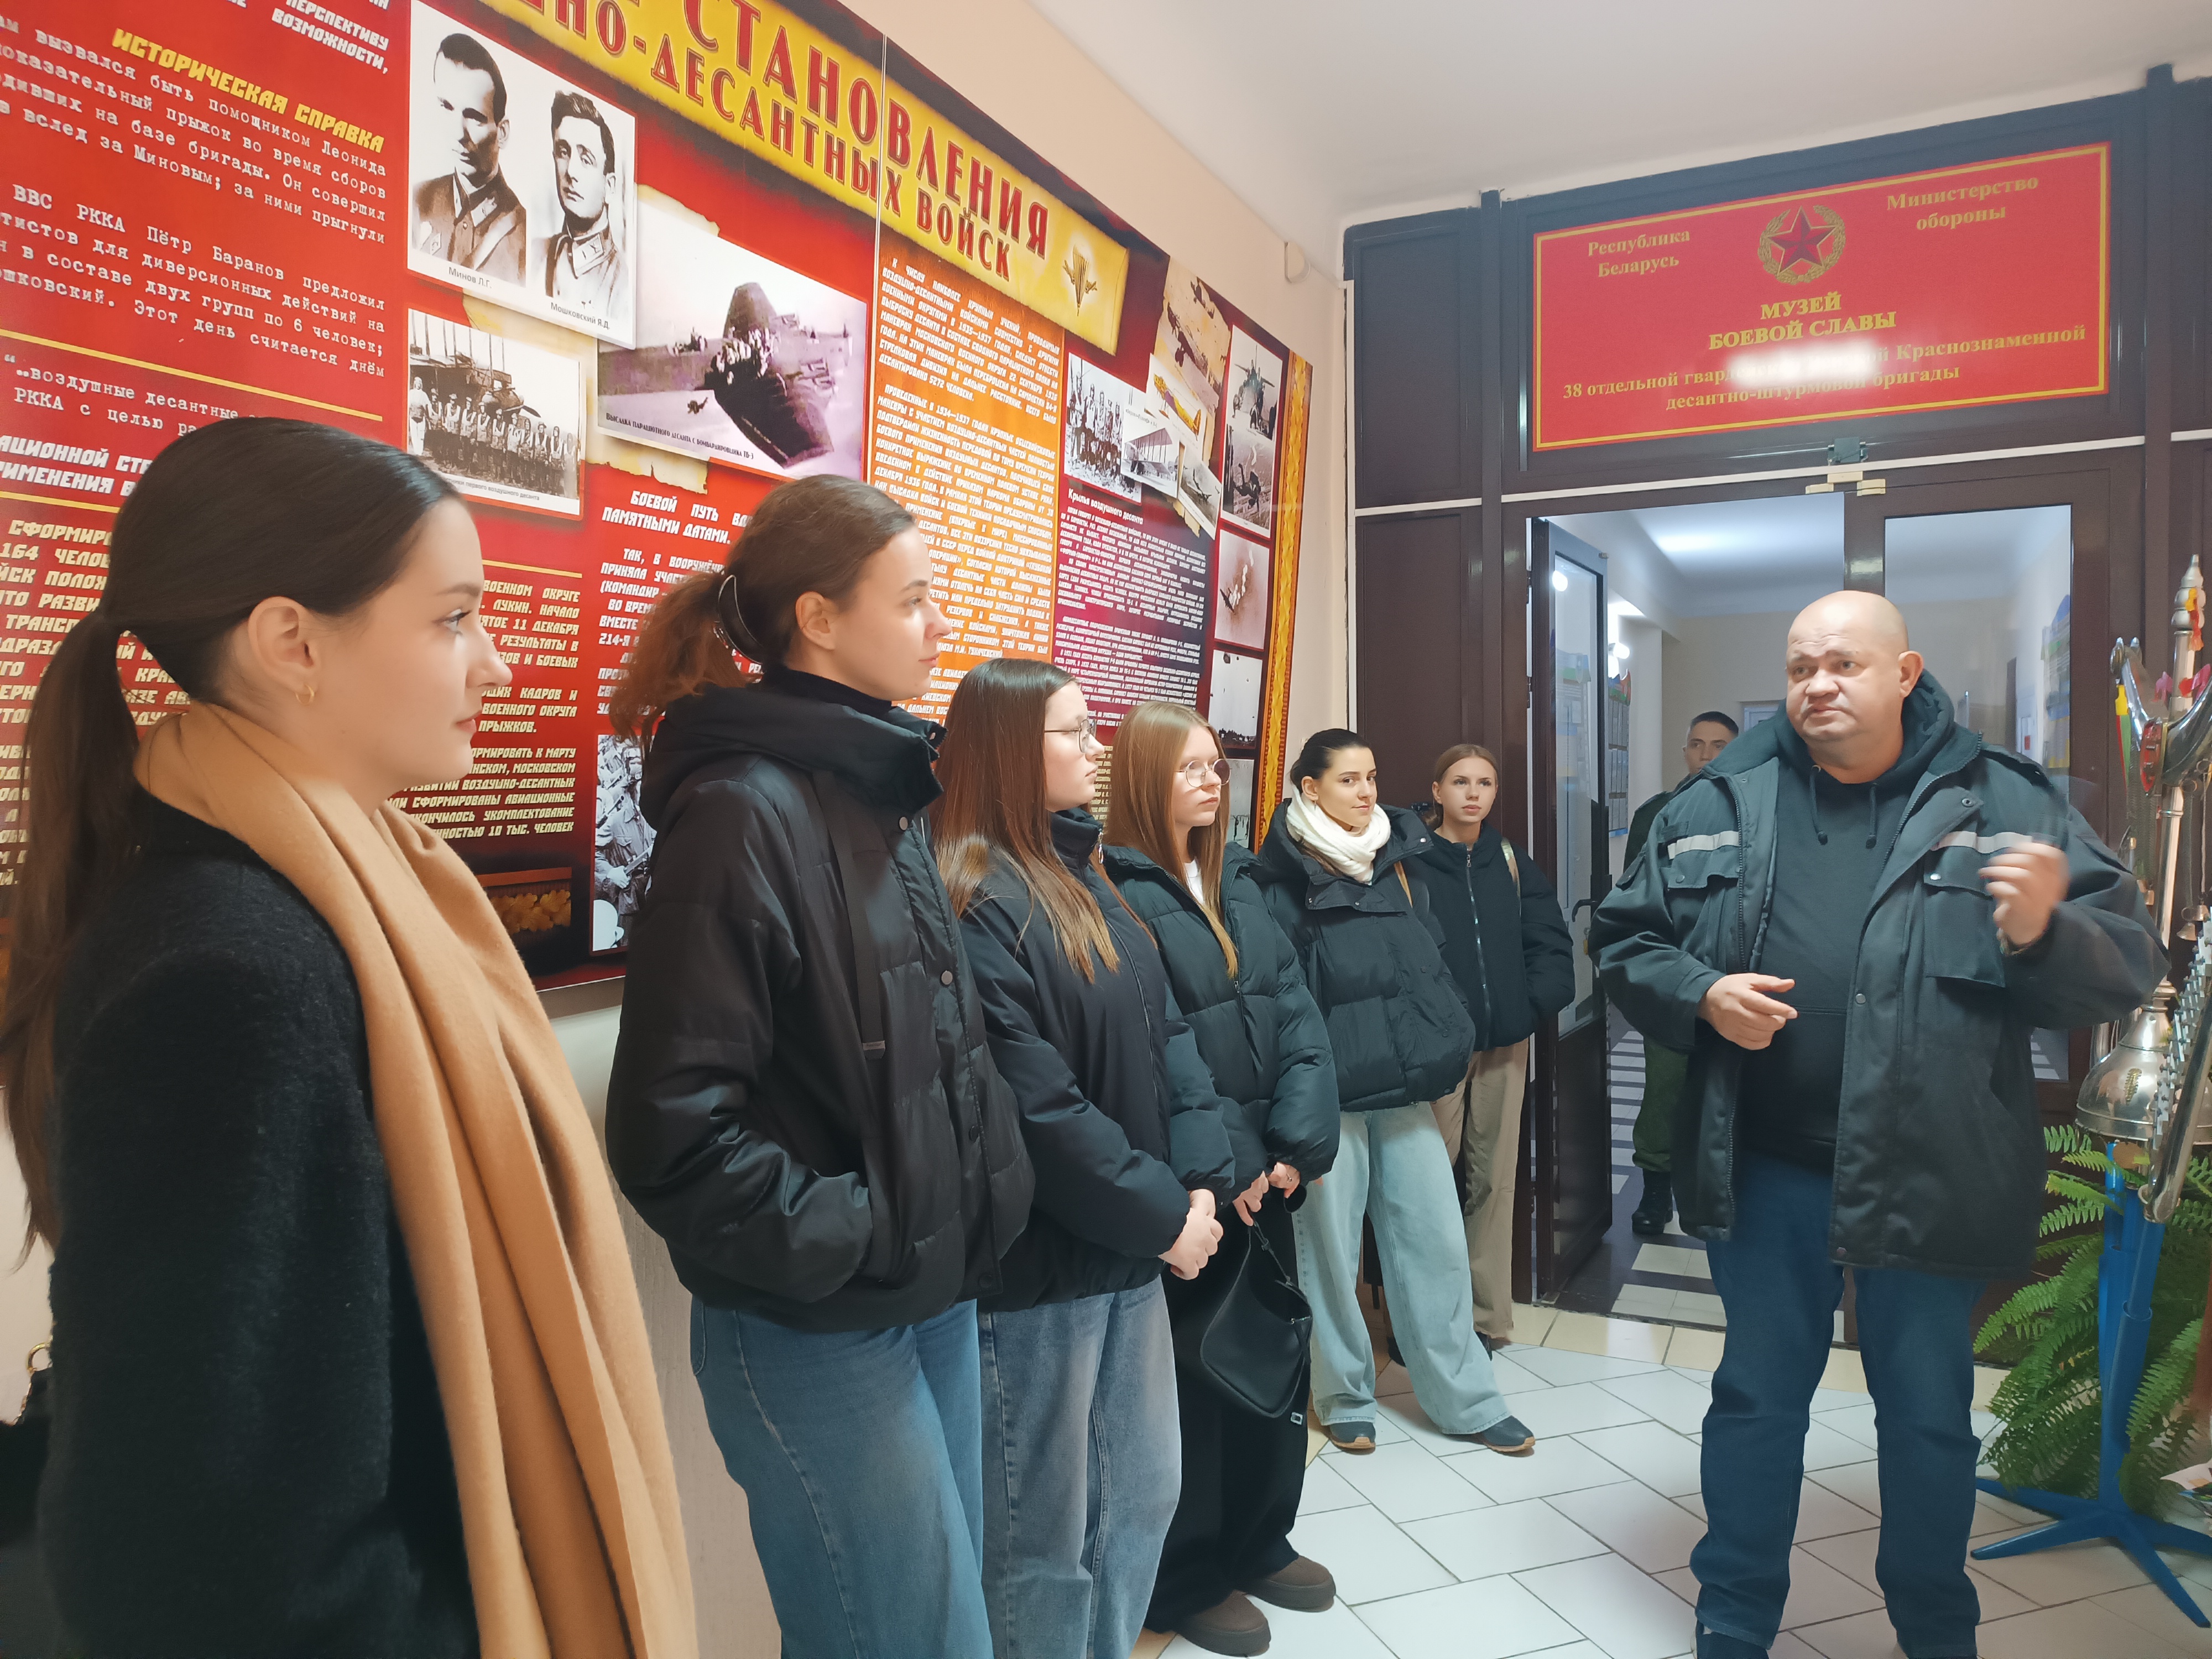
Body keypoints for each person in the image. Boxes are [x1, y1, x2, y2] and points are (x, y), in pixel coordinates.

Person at [8, 418, 693, 1657]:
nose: (496, 668)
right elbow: (197, 1560)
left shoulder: (348, 897)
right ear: (293, 643)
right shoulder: (231, 976)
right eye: (454, 619)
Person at [1591, 591, 2162, 1659]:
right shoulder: (1720, 798)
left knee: (1929, 1415)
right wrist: (1701, 993)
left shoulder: (2002, 799)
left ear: (1905, 674)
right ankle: (1735, 1618)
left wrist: (2042, 931)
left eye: (1844, 664)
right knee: (1757, 1401)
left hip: (1932, 1167)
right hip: (1767, 1170)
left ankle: (1935, 1627)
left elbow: (2128, 959)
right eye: (1801, 666)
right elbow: (1626, 941)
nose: (1817, 685)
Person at [603, 477, 1034, 1659]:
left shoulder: (878, 791)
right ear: (819, 619)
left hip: (923, 1289)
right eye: (914, 600)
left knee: (945, 1629)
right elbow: (671, 1134)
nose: (940, 627)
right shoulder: (744, 812)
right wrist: (865, 1227)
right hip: (821, 1318)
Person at [935, 661, 1235, 1659]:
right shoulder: (973, 897)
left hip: (1128, 1254)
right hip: (1041, 1276)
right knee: (1041, 1542)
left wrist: (1202, 1184)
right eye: (1073, 732)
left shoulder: (1085, 874)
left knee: (1139, 1499)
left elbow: (1169, 1036)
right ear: (1011, 752)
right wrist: (1166, 1217)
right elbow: (1037, 1107)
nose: (1095, 748)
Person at [1102, 701, 1340, 1657]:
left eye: (1216, 765)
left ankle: (1259, 1539)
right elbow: (1155, 1055)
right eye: (1189, 767)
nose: (1211, 781)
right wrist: (1230, 1164)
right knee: (1196, 1380)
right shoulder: (1115, 889)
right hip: (1194, 1189)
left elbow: (1297, 1016)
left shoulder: (1237, 877)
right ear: (1141, 777)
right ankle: (1189, 1574)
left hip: (1266, 1177)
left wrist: (1295, 1146)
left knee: (1273, 1356)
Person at [1252, 729, 1535, 1459]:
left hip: (1405, 1088)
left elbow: (1428, 966)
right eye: (1348, 780)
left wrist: (1447, 1032)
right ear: (1310, 788)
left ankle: (1466, 1399)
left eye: (1372, 777)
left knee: (1433, 1242)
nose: (1366, 792)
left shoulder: (1396, 862)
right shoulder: (1276, 878)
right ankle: (1344, 1395)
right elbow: (1278, 1000)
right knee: (1330, 1254)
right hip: (1330, 1096)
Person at [1408, 743, 1573, 1350]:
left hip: (1505, 1043)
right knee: (1424, 1185)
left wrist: (1527, 1006)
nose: (1473, 793)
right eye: (1460, 782)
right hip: (1437, 1049)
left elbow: (1549, 941)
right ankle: (1422, 1320)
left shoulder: (1509, 860)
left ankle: (1486, 1319)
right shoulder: (1411, 864)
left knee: (1494, 1184)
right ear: (1438, 790)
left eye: (1484, 783)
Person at [1621, 710, 1739, 1237]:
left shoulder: (1757, 811)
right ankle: (1655, 1187)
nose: (1706, 755)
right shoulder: (1656, 814)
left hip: (1736, 974)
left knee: (1734, 1085)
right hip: (1672, 973)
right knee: (1665, 1084)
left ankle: (1727, 1189)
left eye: (1719, 745)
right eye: (1697, 744)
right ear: (1685, 750)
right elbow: (1632, 896)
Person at [413, 33, 525, 283]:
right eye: (447, 107)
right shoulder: (418, 202)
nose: (458, 134)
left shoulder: (523, 237)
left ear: (502, 133)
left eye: (474, 117)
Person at [540, 90, 623, 311]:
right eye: (563, 152)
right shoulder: (534, 255)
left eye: (586, 160)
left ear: (610, 186)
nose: (571, 171)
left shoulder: (623, 285)